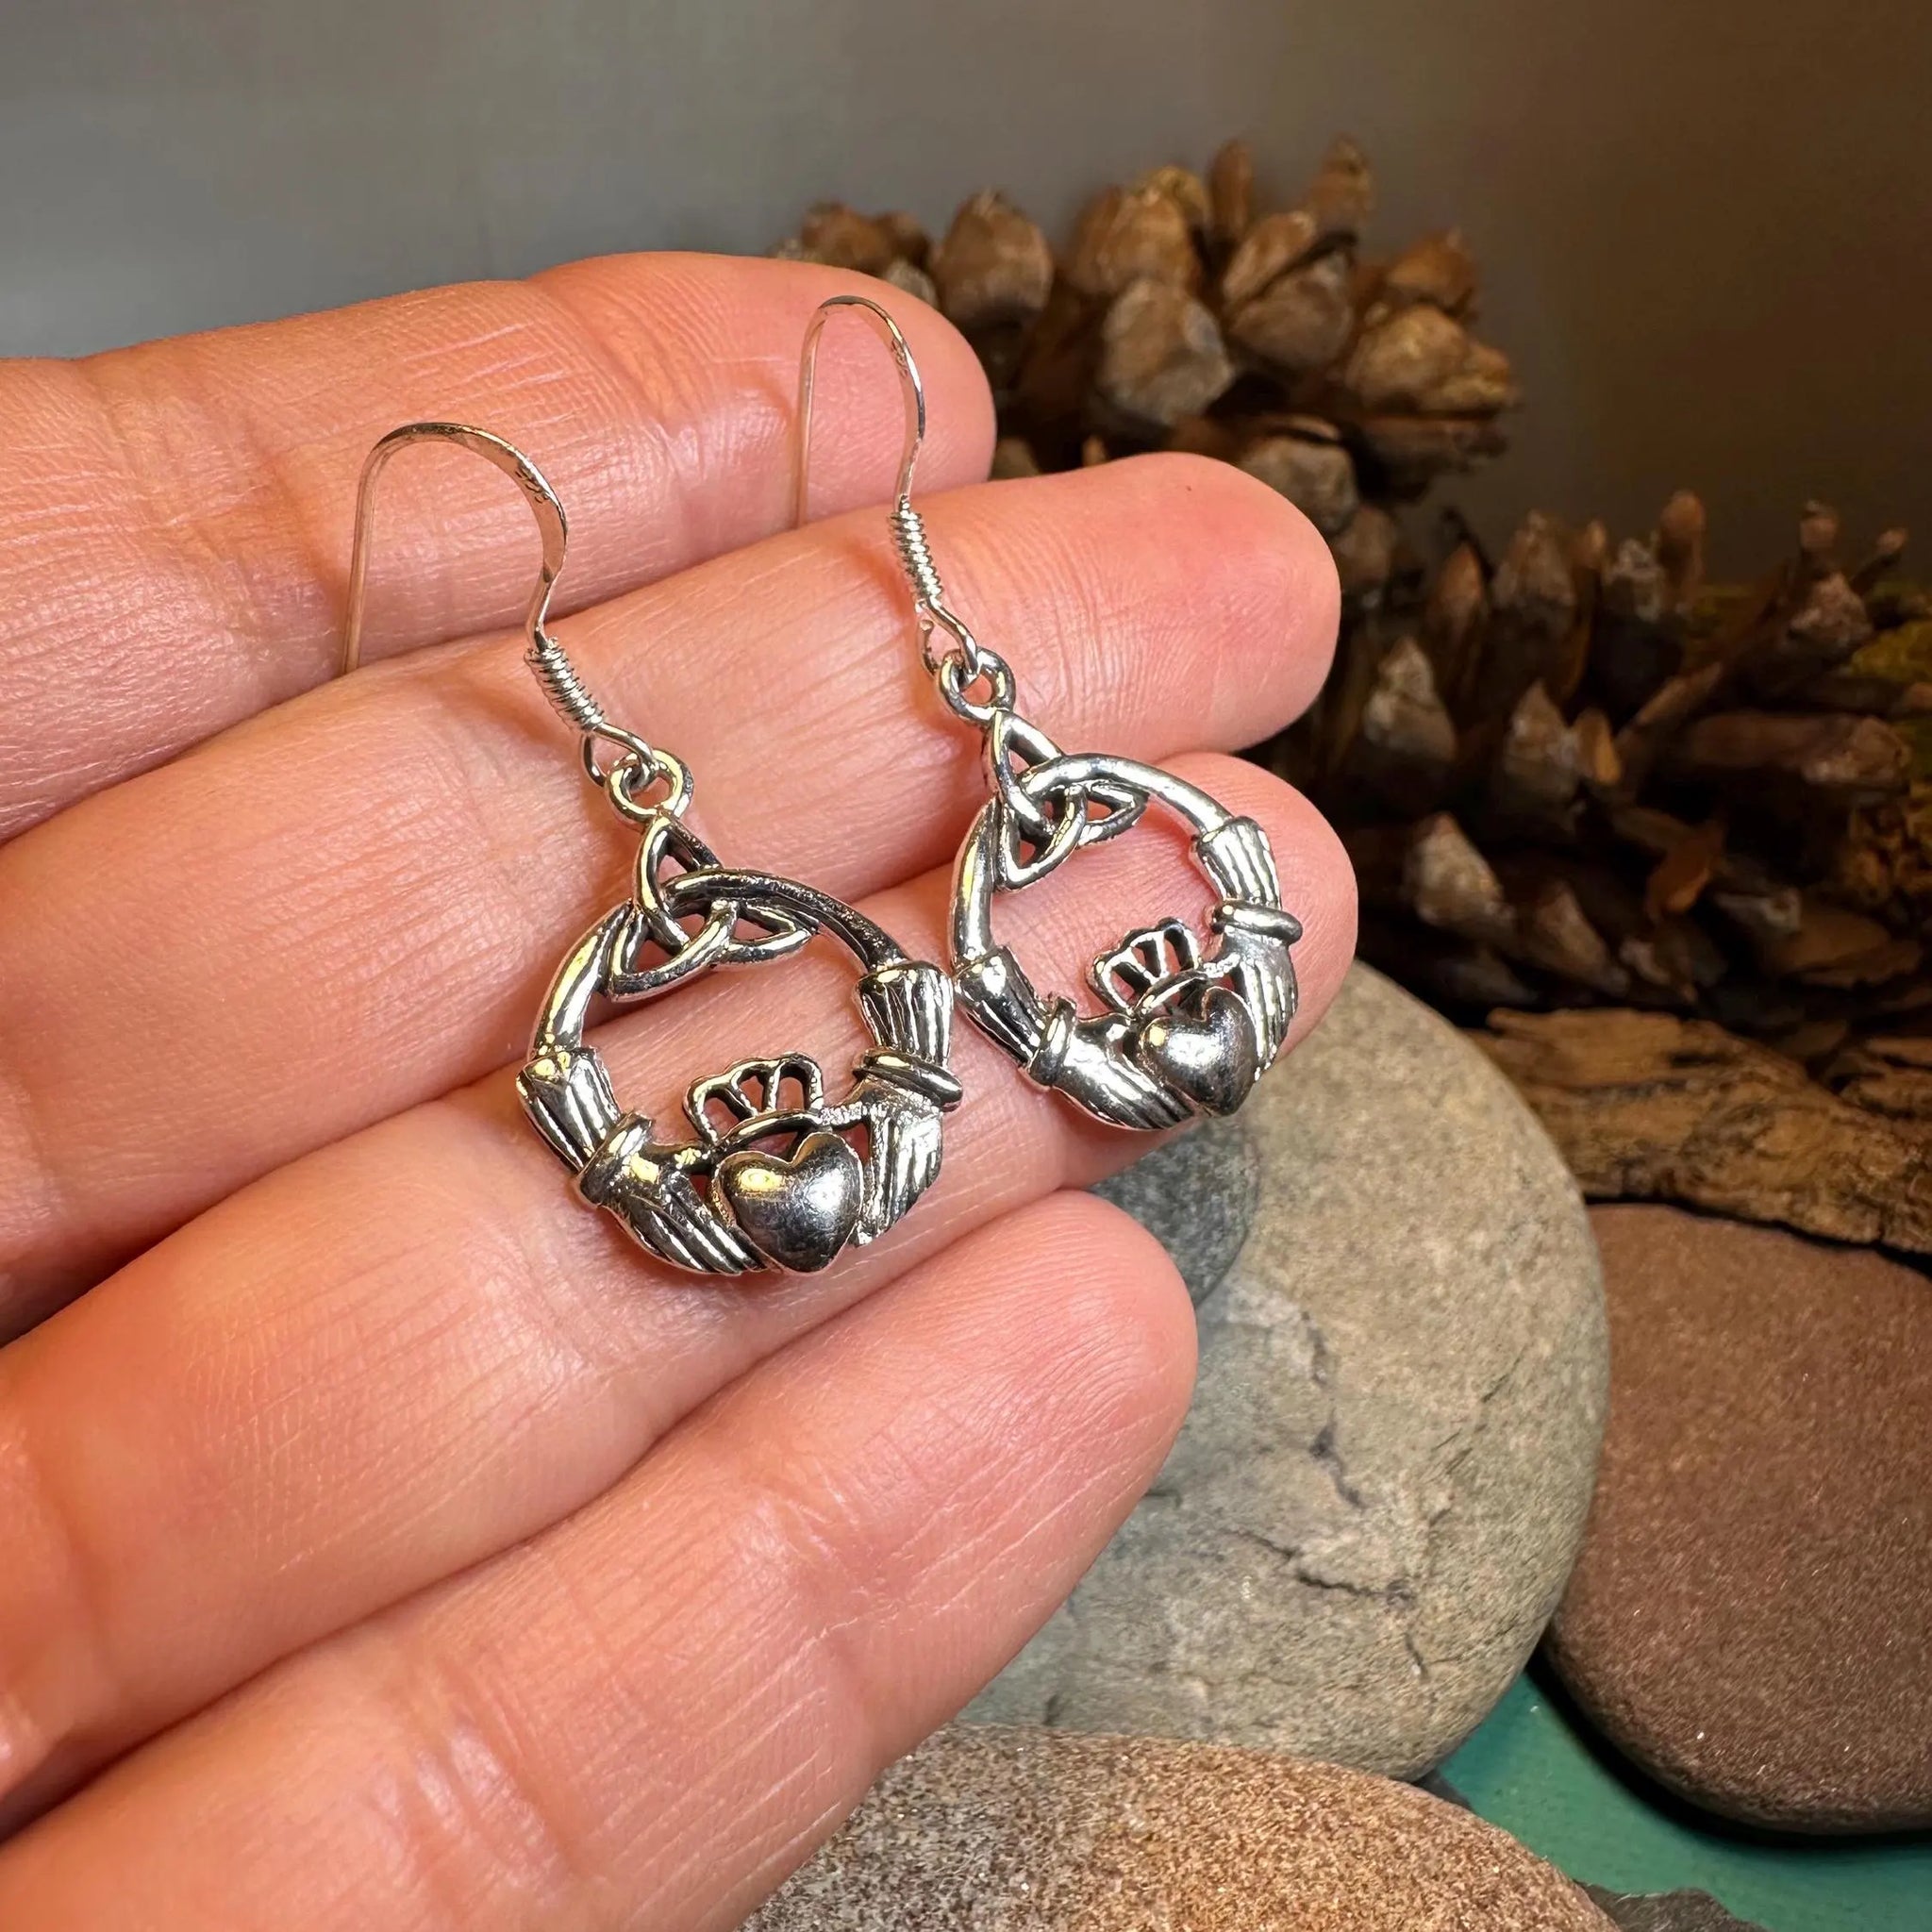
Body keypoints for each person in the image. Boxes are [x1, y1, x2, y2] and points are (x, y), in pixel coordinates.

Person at [0, 251, 1351, 1925]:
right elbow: (902, 1016)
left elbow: (895, 1017)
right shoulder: (843, 1097)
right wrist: (926, 1011)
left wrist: (946, 1001)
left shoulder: (823, 1097)